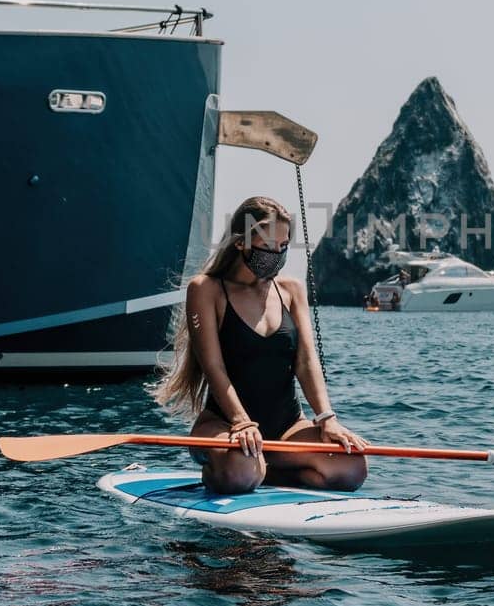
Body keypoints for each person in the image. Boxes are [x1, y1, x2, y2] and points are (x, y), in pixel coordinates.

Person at [155, 196, 368, 494]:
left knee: (351, 468)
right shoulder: (206, 289)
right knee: (239, 473)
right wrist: (241, 422)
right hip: (224, 424)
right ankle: (238, 469)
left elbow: (306, 362)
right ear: (241, 241)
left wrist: (326, 419)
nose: (277, 255)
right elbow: (213, 367)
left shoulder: (291, 290)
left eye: (283, 247)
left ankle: (264, 470)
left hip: (287, 429)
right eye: (268, 246)